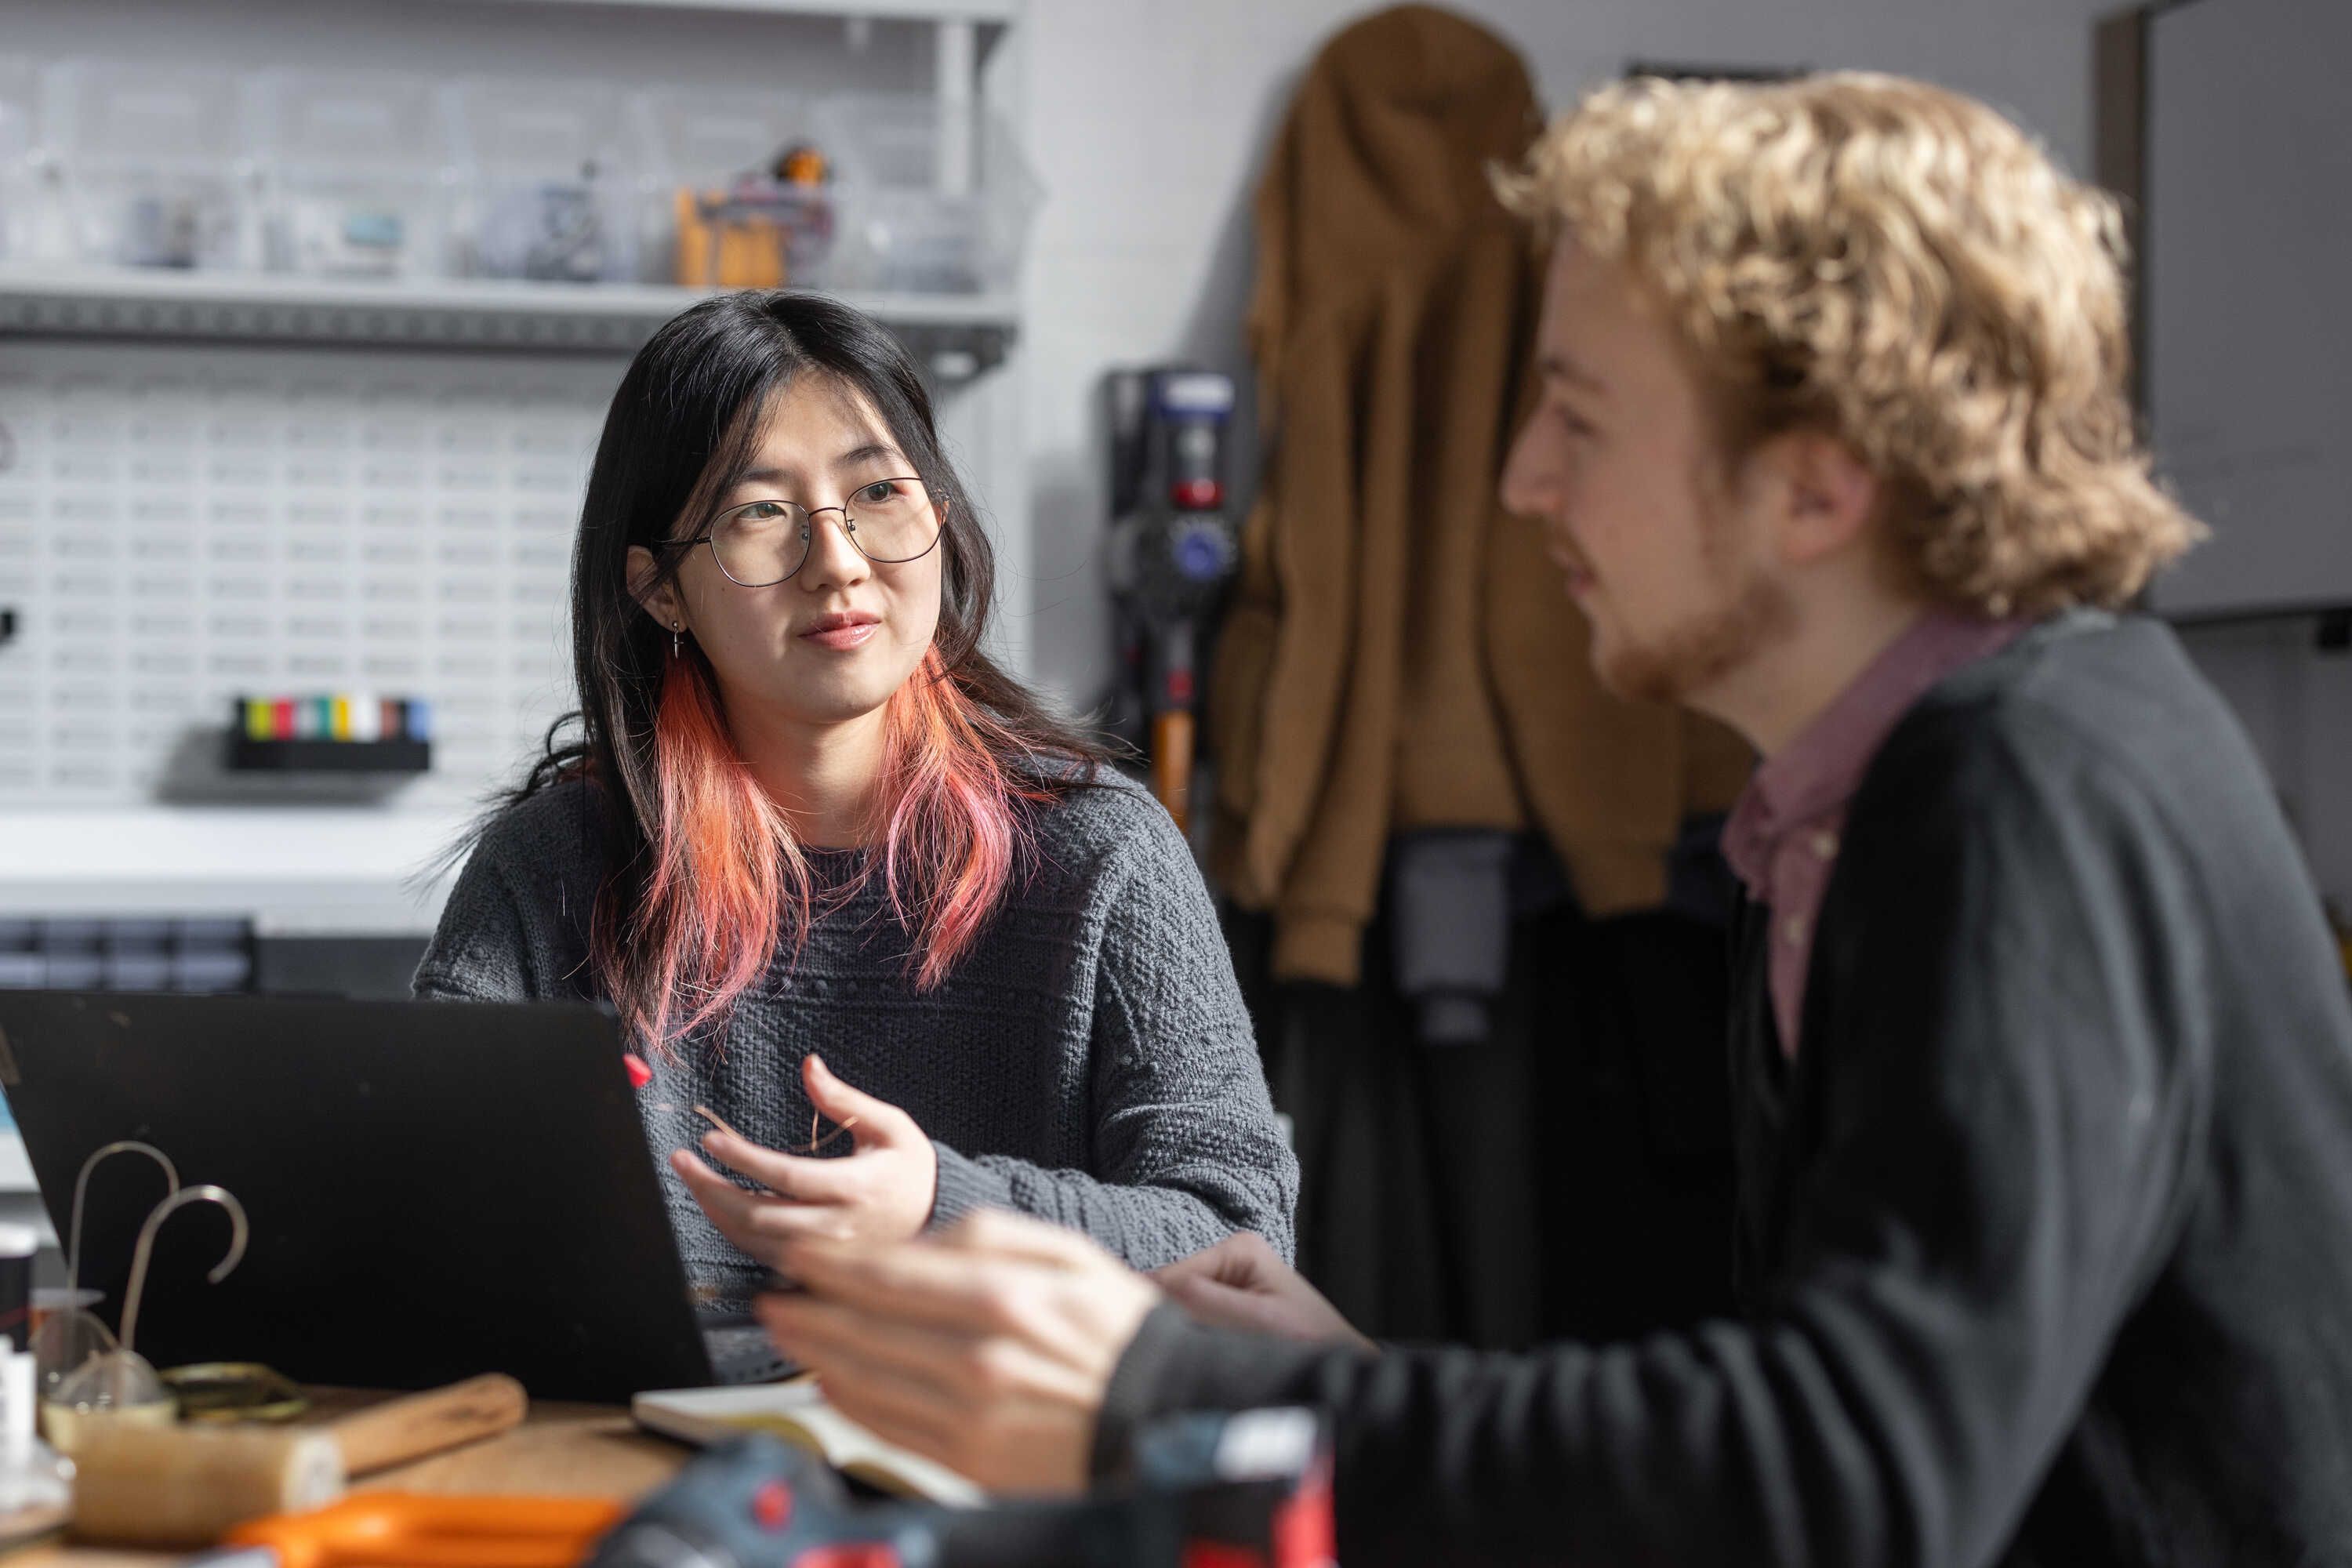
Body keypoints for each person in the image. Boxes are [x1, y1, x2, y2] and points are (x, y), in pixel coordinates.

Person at [752, 73, 2352, 1568]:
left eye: (1577, 417)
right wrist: (1357, 1381)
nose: (1522, 481)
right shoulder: (1844, 814)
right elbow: (1797, 1437)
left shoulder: (2034, 788)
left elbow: (1861, 1477)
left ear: (1813, 486)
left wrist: (1160, 1390)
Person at [414, 292, 1297, 1314]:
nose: (836, 562)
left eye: (879, 492)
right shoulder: (552, 868)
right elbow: (423, 1203)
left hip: (994, 1456)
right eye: (759, 512)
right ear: (661, 590)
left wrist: (939, 1205)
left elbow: (1239, 1235)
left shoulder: (1106, 856)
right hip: (634, 1452)